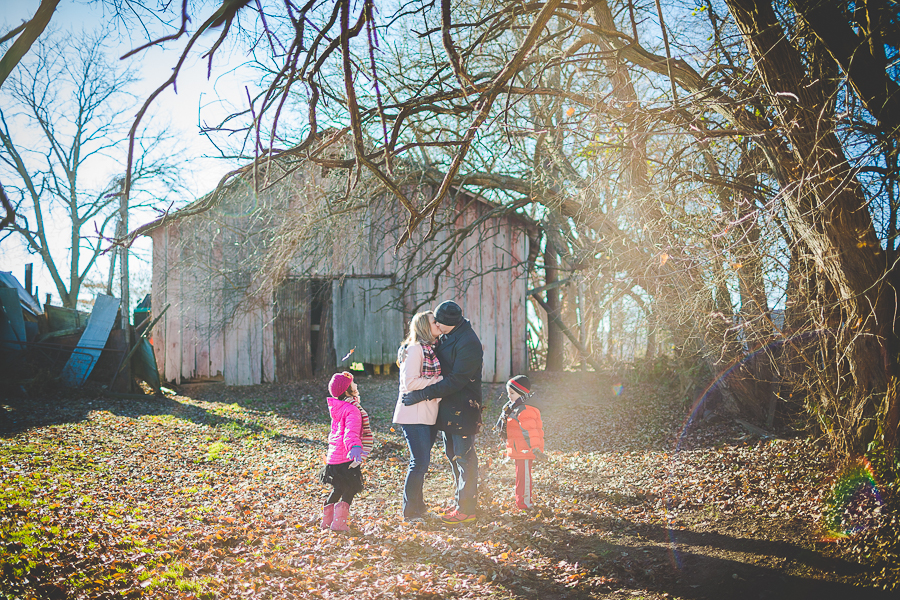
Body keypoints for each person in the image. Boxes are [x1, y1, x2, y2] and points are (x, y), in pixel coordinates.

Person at [402, 300, 483, 525]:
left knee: (465, 459)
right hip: (447, 409)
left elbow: (457, 380)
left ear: (450, 323)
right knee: (453, 457)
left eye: (439, 322)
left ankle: (467, 510)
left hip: (463, 408)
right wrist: (407, 347)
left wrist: (423, 394)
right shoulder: (448, 335)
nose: (435, 324)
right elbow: (424, 348)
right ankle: (460, 503)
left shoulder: (468, 342)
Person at [392, 311, 444, 522]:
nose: (438, 325)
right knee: (419, 463)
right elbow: (410, 384)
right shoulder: (414, 350)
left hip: (427, 415)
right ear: (424, 326)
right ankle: (410, 512)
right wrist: (439, 381)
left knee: (422, 463)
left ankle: (418, 507)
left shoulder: (430, 349)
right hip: (413, 415)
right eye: (434, 322)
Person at [319, 371, 373, 532]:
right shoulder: (352, 410)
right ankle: (339, 524)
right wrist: (355, 447)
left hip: (334, 457)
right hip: (346, 457)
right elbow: (351, 432)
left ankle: (326, 522)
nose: (356, 386)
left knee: (338, 488)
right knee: (350, 489)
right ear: (348, 391)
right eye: (353, 384)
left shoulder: (337, 407)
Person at [494, 375, 545, 510]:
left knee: (524, 477)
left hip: (525, 449)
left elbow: (531, 431)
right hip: (519, 449)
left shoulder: (524, 410)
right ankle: (520, 500)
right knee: (520, 476)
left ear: (521, 393)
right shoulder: (513, 408)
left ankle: (526, 502)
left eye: (512, 393)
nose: (509, 396)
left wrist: (534, 448)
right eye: (508, 393)